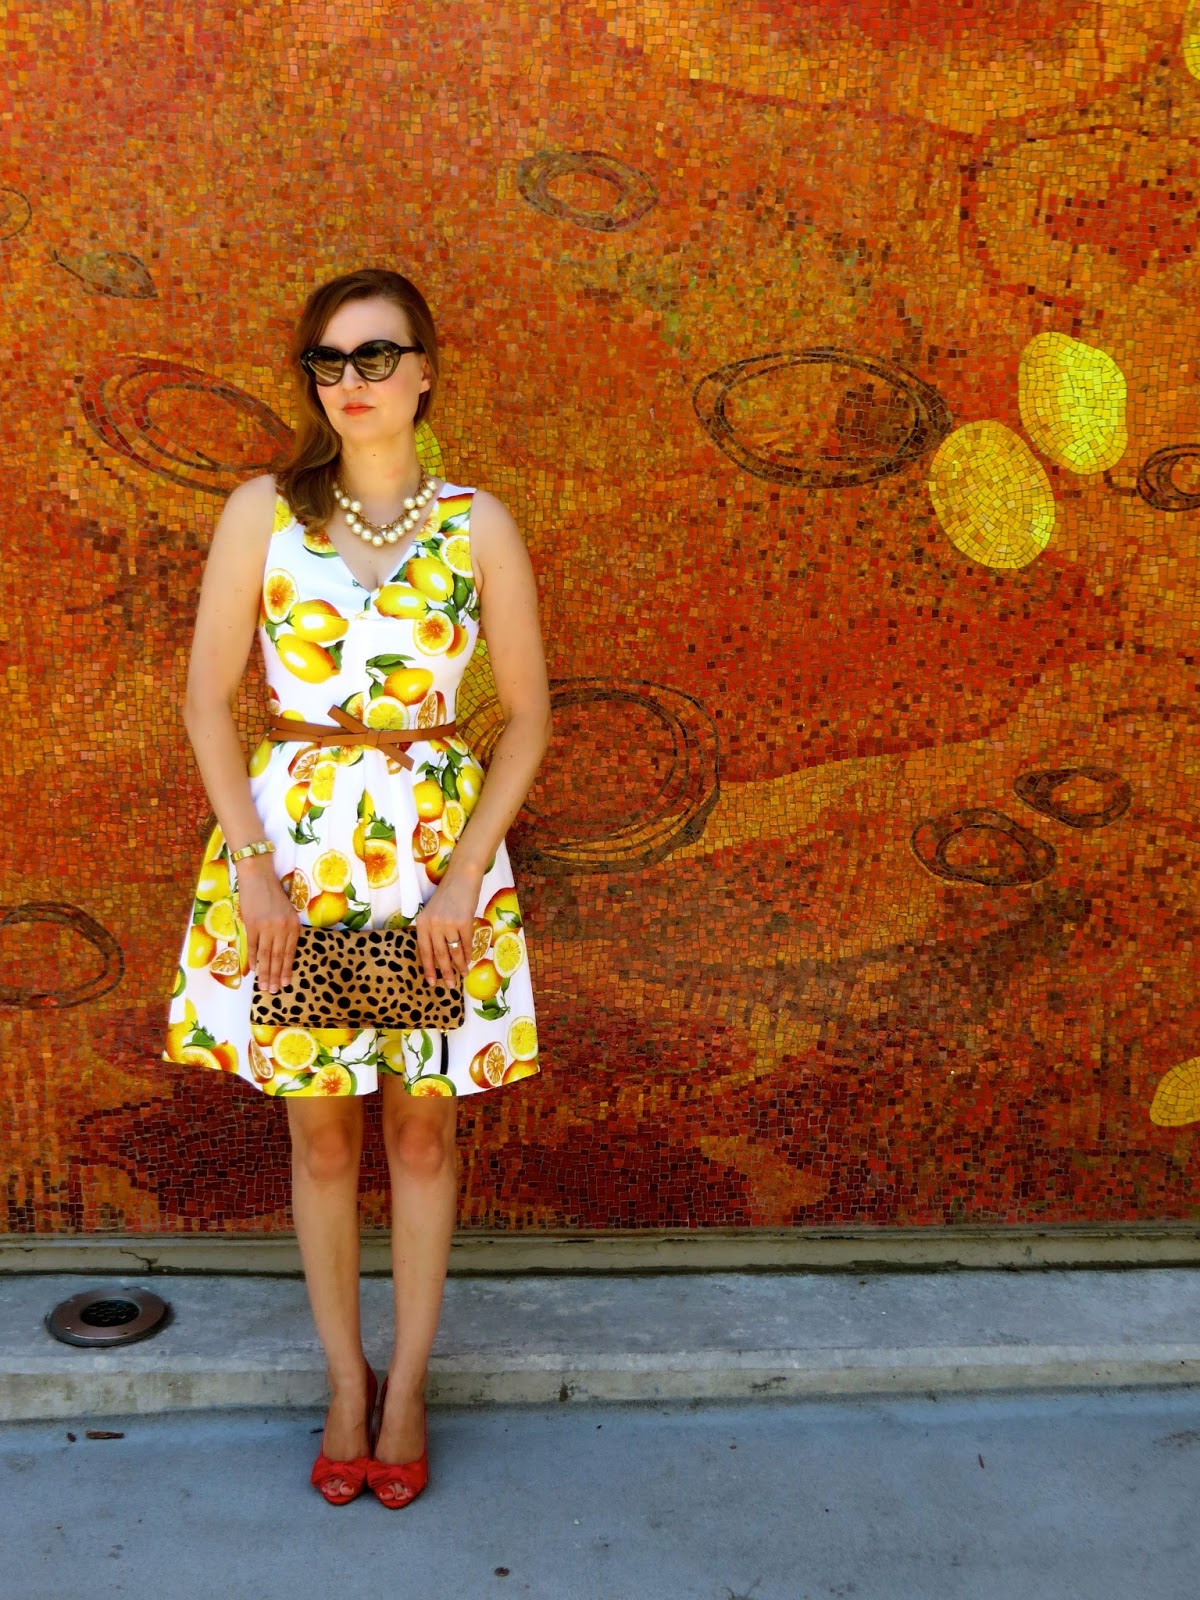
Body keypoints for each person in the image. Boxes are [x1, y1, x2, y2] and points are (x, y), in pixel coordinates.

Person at [163, 267, 551, 1507]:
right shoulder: (262, 513)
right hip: (296, 864)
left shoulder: (478, 524)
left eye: (376, 355)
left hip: (435, 869)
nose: (351, 381)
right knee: (323, 1137)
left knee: (423, 1131)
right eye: (328, 362)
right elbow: (207, 703)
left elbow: (528, 718)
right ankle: (345, 1382)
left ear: (426, 370)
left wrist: (464, 877)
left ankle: (412, 1384)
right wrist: (254, 877)